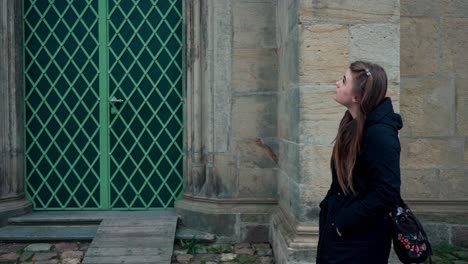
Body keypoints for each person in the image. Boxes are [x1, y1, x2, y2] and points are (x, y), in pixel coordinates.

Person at [316, 61, 403, 263]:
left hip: (360, 241)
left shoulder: (380, 135)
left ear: (357, 96)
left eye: (344, 80)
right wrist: (328, 211)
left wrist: (342, 224)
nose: (337, 83)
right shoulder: (351, 124)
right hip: (341, 236)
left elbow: (387, 193)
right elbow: (342, 183)